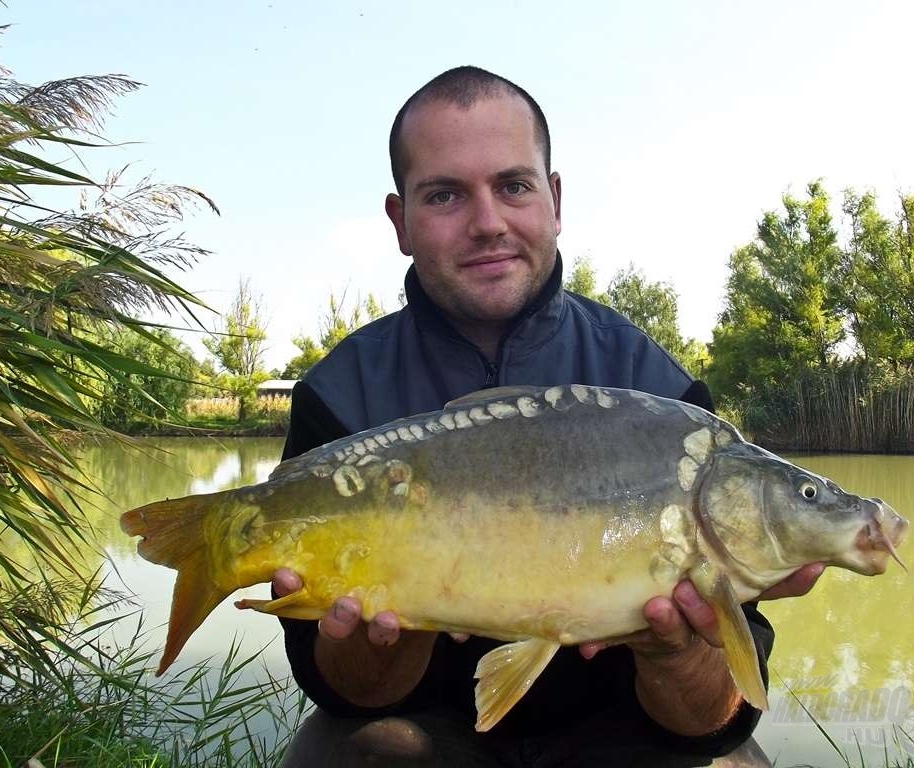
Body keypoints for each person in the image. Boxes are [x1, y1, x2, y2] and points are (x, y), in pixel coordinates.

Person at [273, 66, 823, 767]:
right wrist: (400, 622)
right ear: (400, 221)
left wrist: (675, 652)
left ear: (554, 199)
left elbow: (715, 719)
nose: (488, 222)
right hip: (426, 735)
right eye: (444, 195)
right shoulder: (339, 399)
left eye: (513, 186)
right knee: (353, 752)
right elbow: (344, 692)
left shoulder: (664, 395)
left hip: (625, 736)